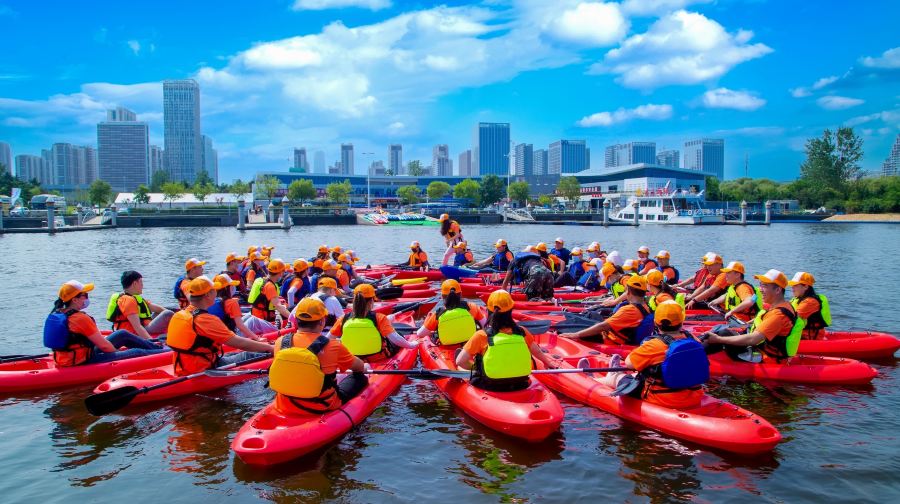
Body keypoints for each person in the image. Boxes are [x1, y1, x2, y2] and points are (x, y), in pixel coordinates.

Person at [268, 297, 367, 415]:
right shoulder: (333, 345)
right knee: (360, 376)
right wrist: (364, 367)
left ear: (296, 320)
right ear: (322, 321)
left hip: (284, 404)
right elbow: (359, 367)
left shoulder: (280, 341)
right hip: (322, 405)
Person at [601, 301, 708, 408]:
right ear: (681, 321)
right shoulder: (693, 339)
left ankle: (612, 376)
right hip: (694, 396)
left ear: (656, 323)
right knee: (645, 374)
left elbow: (629, 363)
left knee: (620, 377)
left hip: (661, 399)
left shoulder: (653, 345)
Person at [166, 276, 274, 376]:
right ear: (207, 295)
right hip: (203, 368)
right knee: (252, 355)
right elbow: (239, 343)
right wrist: (269, 348)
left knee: (236, 354)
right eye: (214, 290)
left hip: (183, 365)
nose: (216, 292)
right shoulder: (205, 319)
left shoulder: (180, 314)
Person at [44, 280, 167, 367]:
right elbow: (105, 347)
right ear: (75, 300)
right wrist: (121, 355)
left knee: (122, 334)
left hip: (69, 357)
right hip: (82, 361)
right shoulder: (80, 319)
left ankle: (156, 346)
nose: (87, 298)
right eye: (85, 295)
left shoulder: (58, 314)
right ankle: (168, 353)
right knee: (136, 352)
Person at [455, 290, 558, 391]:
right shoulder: (522, 332)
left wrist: (477, 368)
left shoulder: (482, 335)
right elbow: (537, 351)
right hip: (520, 384)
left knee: (465, 366)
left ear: (489, 311)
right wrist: (548, 362)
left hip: (490, 385)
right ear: (511, 310)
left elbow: (460, 361)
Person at [703, 269, 806, 362]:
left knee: (723, 335)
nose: (760, 289)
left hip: (765, 357)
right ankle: (697, 352)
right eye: (760, 285)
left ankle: (696, 358)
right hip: (761, 349)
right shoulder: (781, 306)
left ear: (778, 290)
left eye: (764, 286)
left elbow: (753, 339)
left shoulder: (779, 314)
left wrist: (718, 339)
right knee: (724, 331)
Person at [328, 284, 419, 360]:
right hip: (376, 357)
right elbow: (396, 339)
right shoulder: (379, 318)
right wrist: (411, 345)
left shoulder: (343, 318)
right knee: (400, 335)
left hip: (351, 359)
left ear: (354, 300)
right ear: (372, 300)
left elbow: (328, 339)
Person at [560, 275, 654, 346]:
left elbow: (603, 326)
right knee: (590, 315)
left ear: (628, 291)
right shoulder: (645, 306)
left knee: (564, 328)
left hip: (609, 339)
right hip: (616, 335)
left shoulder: (629, 310)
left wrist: (576, 335)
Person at [106, 270, 174, 339]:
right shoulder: (128, 301)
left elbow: (158, 309)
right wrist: (152, 342)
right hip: (135, 333)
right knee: (168, 313)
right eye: (141, 282)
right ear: (135, 284)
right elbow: (137, 327)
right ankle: (180, 328)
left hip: (145, 325)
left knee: (167, 310)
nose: (142, 286)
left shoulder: (135, 298)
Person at [417, 280, 487, 344]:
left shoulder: (438, 314)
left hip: (446, 348)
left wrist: (427, 321)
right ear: (461, 294)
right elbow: (485, 327)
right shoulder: (473, 307)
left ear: (442, 296)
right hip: (469, 346)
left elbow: (420, 334)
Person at [244, 258, 292, 334]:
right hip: (262, 320)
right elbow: (278, 306)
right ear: (281, 273)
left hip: (255, 314)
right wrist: (292, 318)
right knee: (285, 329)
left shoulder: (260, 280)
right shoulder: (270, 286)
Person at [209, 274, 261, 340]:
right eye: (231, 285)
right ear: (226, 288)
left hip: (217, 335)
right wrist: (257, 338)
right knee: (253, 320)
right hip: (231, 337)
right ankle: (276, 331)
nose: (233, 287)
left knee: (249, 316)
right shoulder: (232, 303)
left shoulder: (211, 301)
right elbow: (240, 326)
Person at [788, 272, 831, 340]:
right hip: (801, 335)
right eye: (792, 285)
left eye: (795, 285)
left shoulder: (810, 302)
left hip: (809, 338)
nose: (792, 287)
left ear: (806, 286)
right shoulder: (798, 299)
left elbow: (790, 319)